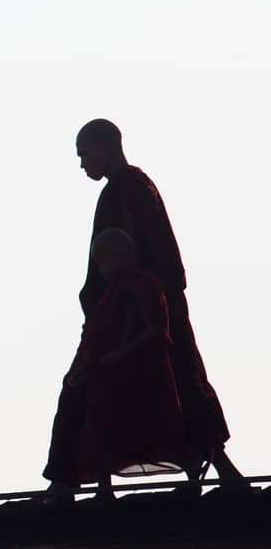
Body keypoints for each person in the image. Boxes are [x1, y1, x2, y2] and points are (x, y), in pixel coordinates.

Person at [43, 119, 244, 497]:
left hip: (128, 313)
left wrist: (121, 314)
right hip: (156, 310)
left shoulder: (125, 190)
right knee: (183, 384)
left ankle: (63, 483)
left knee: (84, 389)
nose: (83, 164)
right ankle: (224, 470)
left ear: (105, 147)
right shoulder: (139, 187)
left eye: (85, 154)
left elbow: (126, 260)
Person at [73, 228, 195, 501]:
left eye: (106, 261)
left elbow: (154, 329)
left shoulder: (143, 286)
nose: (103, 269)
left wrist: (120, 354)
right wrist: (86, 367)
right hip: (108, 375)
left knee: (162, 425)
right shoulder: (110, 294)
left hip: (141, 372)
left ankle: (193, 474)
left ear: (121, 257)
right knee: (102, 430)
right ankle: (104, 488)